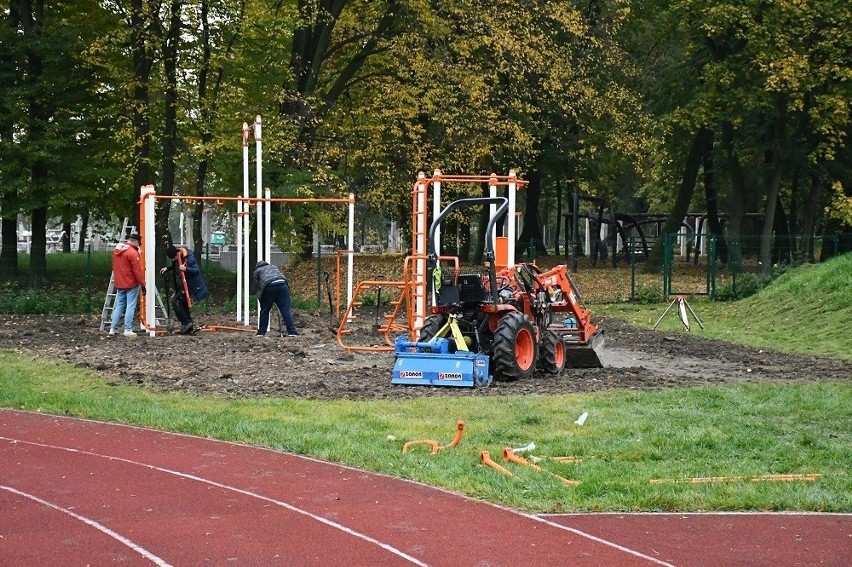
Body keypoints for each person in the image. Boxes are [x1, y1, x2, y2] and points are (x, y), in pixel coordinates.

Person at [160, 244, 209, 334]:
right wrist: (168, 268)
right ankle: (188, 325)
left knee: (176, 301)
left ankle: (186, 323)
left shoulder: (189, 258)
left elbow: (196, 270)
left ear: (177, 253)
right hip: (184, 286)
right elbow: (177, 267)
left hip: (191, 286)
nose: (173, 260)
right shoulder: (179, 257)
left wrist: (186, 269)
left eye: (173, 257)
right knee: (182, 304)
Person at [109, 232, 146, 337]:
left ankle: (113, 328)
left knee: (120, 305)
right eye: (139, 243)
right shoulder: (133, 253)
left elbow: (114, 266)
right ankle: (127, 329)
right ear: (135, 242)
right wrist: (142, 284)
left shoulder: (117, 250)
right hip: (130, 283)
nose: (139, 245)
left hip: (119, 282)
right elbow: (137, 271)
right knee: (130, 306)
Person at [253, 260, 298, 337]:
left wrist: (261, 300)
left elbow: (257, 286)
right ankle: (292, 332)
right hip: (283, 285)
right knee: (285, 310)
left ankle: (261, 332)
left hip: (269, 286)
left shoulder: (257, 271)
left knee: (265, 310)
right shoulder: (274, 267)